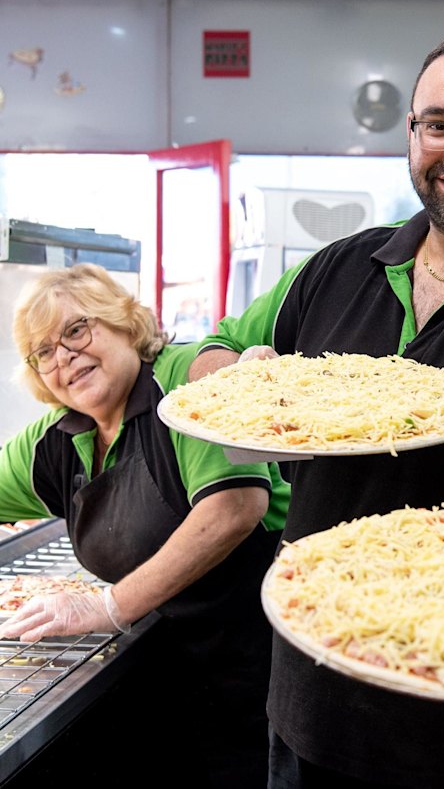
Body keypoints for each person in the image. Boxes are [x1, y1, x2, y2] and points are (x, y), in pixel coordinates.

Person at [188, 30, 444, 788]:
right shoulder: (339, 267)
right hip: (315, 694)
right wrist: (240, 381)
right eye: (439, 125)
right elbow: (211, 352)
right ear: (411, 132)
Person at [0, 262, 290, 787]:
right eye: (44, 352)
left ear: (124, 321)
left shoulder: (182, 381)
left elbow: (234, 508)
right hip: (164, 672)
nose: (64, 357)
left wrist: (108, 606)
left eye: (76, 330)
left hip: (253, 670)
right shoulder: (58, 437)